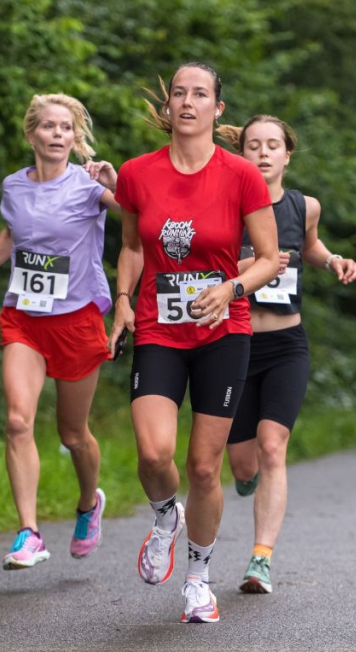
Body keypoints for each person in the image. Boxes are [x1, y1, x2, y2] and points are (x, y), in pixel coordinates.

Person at [108, 63, 278, 623]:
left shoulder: (241, 175)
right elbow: (132, 246)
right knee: (154, 452)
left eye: (199, 93)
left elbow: (271, 258)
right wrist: (125, 298)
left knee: (205, 467)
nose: (186, 101)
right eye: (178, 93)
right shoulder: (136, 173)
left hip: (222, 332)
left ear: (217, 109)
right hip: (158, 327)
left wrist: (231, 286)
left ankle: (199, 578)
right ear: (169, 106)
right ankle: (164, 516)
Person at [0, 93, 115, 571]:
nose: (58, 134)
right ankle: (30, 532)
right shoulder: (14, 186)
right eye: (49, 126)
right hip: (23, 315)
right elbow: (13, 233)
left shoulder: (88, 186)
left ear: (75, 138)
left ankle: (88, 504)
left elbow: (140, 214)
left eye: (67, 128)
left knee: (73, 433)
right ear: (32, 134)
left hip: (77, 320)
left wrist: (114, 182)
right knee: (18, 421)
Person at [215, 115, 356, 595]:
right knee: (242, 464)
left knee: (273, 446)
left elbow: (310, 247)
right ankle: (246, 478)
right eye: (253, 144)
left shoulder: (304, 206)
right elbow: (205, 266)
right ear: (242, 153)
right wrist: (254, 264)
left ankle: (261, 559)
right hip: (234, 344)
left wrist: (333, 259)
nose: (262, 152)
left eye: (272, 144)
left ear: (287, 154)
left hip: (285, 344)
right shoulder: (225, 203)